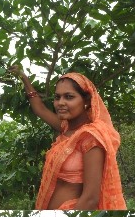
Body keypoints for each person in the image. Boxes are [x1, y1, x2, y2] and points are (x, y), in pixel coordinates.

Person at [10, 67, 126, 209]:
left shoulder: (90, 138)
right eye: (57, 97)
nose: (60, 103)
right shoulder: (66, 129)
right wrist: (23, 77)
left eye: (69, 97)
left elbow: (90, 199)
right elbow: (39, 109)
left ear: (87, 101)